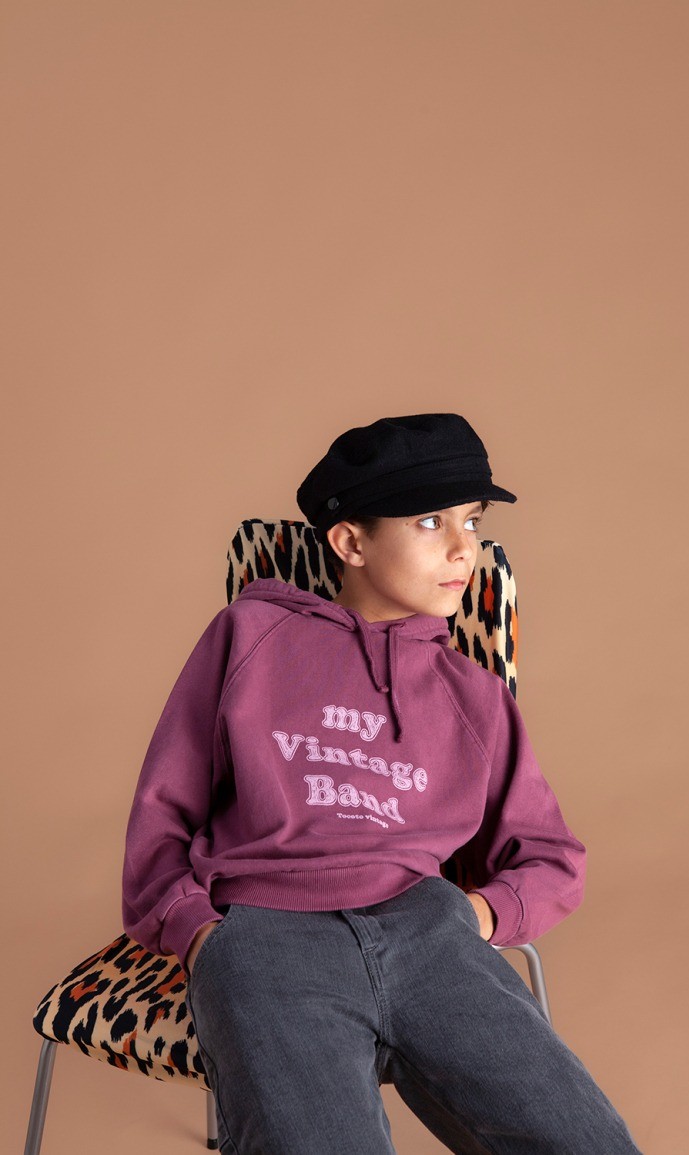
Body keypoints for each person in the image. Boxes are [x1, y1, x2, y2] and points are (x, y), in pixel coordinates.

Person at [121, 412, 643, 1154]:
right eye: (430, 521)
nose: (464, 548)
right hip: (269, 935)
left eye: (472, 520)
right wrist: (198, 933)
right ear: (350, 542)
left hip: (428, 932)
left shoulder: (473, 696)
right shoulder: (249, 638)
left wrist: (474, 917)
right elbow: (163, 810)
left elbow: (551, 854)